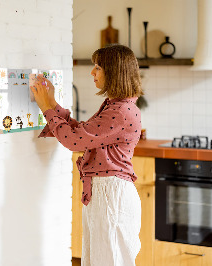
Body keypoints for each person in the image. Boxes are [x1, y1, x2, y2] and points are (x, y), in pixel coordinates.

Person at [31, 44, 143, 266]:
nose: (92, 72)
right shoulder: (116, 106)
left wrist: (46, 108)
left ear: (114, 72)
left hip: (111, 195)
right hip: (106, 193)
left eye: (98, 67)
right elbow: (82, 133)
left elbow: (74, 141)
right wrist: (52, 103)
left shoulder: (120, 111)